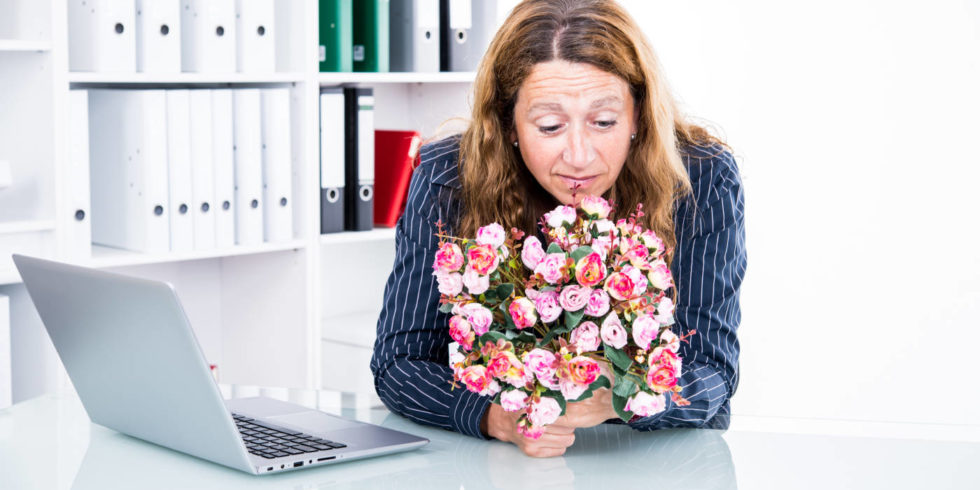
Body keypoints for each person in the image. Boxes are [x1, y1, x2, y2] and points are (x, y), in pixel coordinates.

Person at [371, 0, 746, 458]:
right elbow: (399, 363)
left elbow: (713, 374)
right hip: (503, 463)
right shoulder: (450, 175)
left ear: (638, 117)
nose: (579, 155)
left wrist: (616, 398)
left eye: (604, 122)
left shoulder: (701, 177)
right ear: (508, 124)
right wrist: (493, 418)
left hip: (658, 458)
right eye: (550, 126)